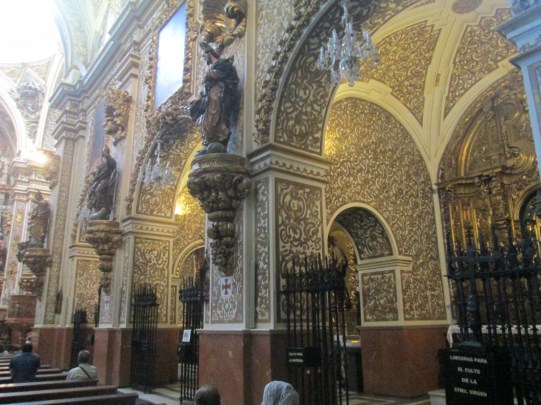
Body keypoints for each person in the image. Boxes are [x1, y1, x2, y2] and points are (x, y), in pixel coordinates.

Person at [189, 42, 239, 154]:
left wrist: (211, 74)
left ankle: (218, 141)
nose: (203, 57)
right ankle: (210, 141)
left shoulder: (222, 63)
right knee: (207, 121)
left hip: (219, 95)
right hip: (211, 97)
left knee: (216, 117)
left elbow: (226, 75)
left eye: (204, 54)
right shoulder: (213, 67)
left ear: (209, 53)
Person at [86, 146, 117, 220]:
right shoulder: (100, 161)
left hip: (107, 179)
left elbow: (112, 165)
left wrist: (107, 157)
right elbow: (96, 170)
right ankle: (97, 208)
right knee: (92, 189)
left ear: (107, 152)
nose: (103, 152)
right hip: (100, 179)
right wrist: (93, 176)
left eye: (104, 151)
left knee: (98, 190)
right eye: (103, 151)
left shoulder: (110, 160)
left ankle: (103, 206)